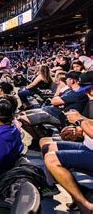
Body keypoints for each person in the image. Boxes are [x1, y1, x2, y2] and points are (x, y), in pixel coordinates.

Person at [42, 71, 93, 212]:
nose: (88, 93)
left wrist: (79, 120)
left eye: (90, 89)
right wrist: (79, 130)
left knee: (51, 159)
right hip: (87, 146)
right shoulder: (91, 101)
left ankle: (84, 204)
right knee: (47, 146)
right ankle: (56, 188)